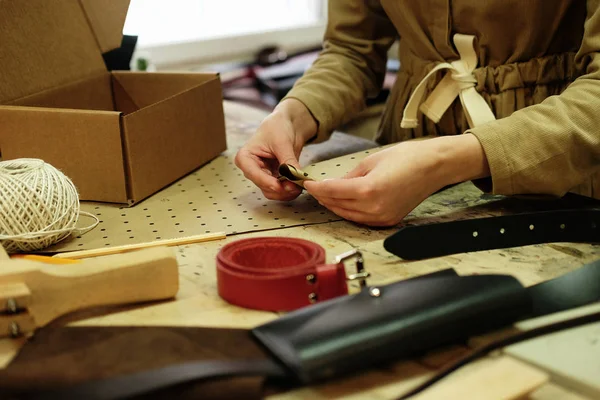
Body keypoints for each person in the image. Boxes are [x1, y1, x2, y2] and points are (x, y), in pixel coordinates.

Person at [235, 1, 600, 227]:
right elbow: (352, 50)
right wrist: (291, 115)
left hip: (557, 165)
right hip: (402, 161)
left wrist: (444, 161)